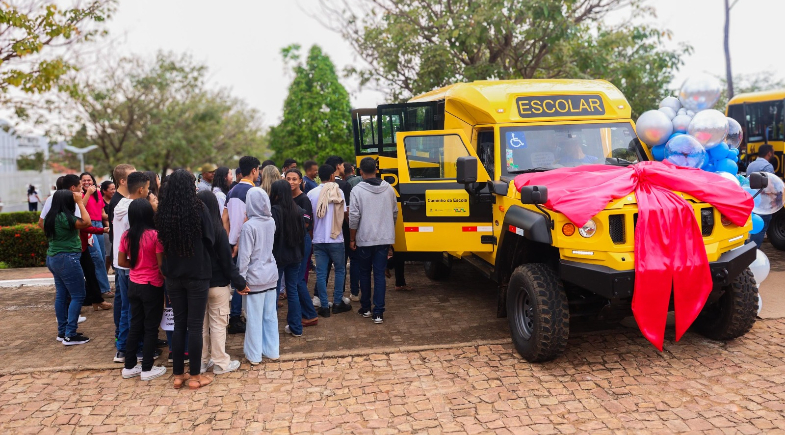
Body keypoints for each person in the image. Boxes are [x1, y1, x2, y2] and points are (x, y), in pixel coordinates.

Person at [156, 170, 215, 389]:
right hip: (197, 272)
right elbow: (210, 239)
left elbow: (161, 241)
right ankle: (196, 376)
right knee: (195, 325)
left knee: (179, 324)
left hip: (173, 274)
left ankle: (178, 375)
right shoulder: (199, 209)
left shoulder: (163, 212)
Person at [117, 199, 167, 381]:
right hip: (151, 285)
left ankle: (129, 366)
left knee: (135, 325)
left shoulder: (126, 235)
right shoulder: (155, 235)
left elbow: (121, 262)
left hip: (134, 285)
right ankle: (147, 368)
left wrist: (136, 265)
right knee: (151, 327)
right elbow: (161, 265)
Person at [197, 190, 247, 375]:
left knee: (201, 325)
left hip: (199, 285)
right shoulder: (218, 231)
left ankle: (201, 362)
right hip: (218, 284)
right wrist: (240, 283)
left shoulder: (193, 231)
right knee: (218, 324)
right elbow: (228, 264)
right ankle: (220, 362)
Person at [349, 157, 398, 324]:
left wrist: (352, 238)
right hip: (384, 239)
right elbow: (394, 213)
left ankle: (366, 308)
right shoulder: (389, 189)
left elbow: (354, 217)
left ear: (361, 171)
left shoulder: (357, 190)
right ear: (376, 170)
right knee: (379, 275)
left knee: (364, 273)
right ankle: (378, 312)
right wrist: (388, 231)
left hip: (364, 238)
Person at [236, 187, 279, 364]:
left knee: (253, 318)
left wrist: (240, 279)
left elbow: (244, 256)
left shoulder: (249, 226)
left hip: (254, 277)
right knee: (270, 316)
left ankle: (254, 355)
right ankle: (272, 350)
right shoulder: (271, 222)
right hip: (270, 274)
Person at [112, 171, 151, 363]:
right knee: (135, 312)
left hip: (122, 264)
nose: (149, 193)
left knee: (126, 309)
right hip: (134, 266)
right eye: (148, 189)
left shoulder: (120, 204)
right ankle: (135, 350)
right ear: (141, 189)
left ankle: (123, 348)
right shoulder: (134, 209)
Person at [45, 190, 92, 345]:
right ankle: (70, 334)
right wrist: (80, 202)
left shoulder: (51, 217)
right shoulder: (65, 218)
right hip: (67, 258)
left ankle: (62, 331)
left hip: (54, 257)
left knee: (62, 294)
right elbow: (86, 222)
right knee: (78, 295)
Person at [223, 156, 261, 334]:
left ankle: (237, 315)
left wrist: (230, 239)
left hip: (232, 241)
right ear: (254, 170)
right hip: (246, 243)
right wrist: (239, 243)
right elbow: (248, 220)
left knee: (238, 278)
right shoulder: (254, 192)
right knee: (243, 280)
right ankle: (237, 317)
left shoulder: (231, 191)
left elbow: (225, 218)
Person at [270, 179, 313, 336]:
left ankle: (271, 329)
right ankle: (296, 327)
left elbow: (272, 235)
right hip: (295, 257)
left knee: (274, 292)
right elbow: (303, 234)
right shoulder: (298, 210)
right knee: (292, 290)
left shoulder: (274, 211)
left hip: (279, 257)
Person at [308, 164, 352, 317]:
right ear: (333, 176)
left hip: (319, 239)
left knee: (320, 273)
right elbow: (345, 214)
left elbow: (309, 218)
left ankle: (325, 307)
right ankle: (338, 302)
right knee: (340, 270)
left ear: (319, 176)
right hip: (336, 238)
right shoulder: (338, 191)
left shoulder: (311, 194)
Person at [285, 169, 318, 327]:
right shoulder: (284, 198)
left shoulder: (303, 199)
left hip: (301, 241)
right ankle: (307, 313)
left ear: (300, 181)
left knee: (297, 280)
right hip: (291, 242)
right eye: (288, 179)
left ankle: (310, 314)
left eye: (294, 179)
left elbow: (305, 224)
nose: (291, 182)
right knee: (295, 280)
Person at [81, 172, 112, 297]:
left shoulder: (98, 194)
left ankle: (101, 287)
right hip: (89, 226)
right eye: (84, 180)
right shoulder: (81, 195)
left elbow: (102, 213)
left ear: (93, 181)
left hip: (99, 225)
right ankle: (104, 289)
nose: (87, 182)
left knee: (102, 257)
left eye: (89, 180)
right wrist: (88, 193)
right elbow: (80, 207)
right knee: (97, 257)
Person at [747, 144, 775, 248]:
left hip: (752, 200)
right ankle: (753, 252)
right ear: (769, 153)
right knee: (761, 228)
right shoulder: (767, 166)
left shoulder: (751, 165)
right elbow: (769, 186)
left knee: (754, 227)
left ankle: (747, 250)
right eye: (773, 152)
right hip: (764, 202)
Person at [101, 180, 116, 277]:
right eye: (111, 189)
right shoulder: (101, 201)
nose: (114, 191)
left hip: (114, 228)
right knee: (108, 255)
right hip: (105, 230)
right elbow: (103, 216)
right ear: (104, 191)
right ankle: (105, 274)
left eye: (114, 189)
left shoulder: (115, 200)